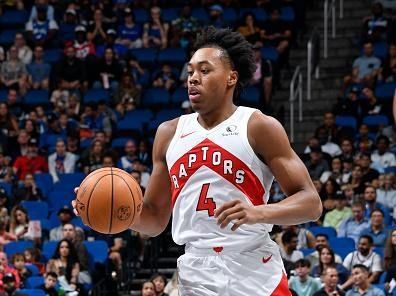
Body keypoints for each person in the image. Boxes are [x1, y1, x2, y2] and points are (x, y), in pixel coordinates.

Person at [73, 26, 322, 295]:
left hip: (254, 268)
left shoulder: (257, 125)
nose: (192, 78)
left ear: (231, 78)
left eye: (204, 70)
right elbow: (155, 220)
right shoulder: (169, 133)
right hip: (196, 271)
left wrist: (258, 212)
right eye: (190, 71)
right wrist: (111, 212)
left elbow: (311, 203)